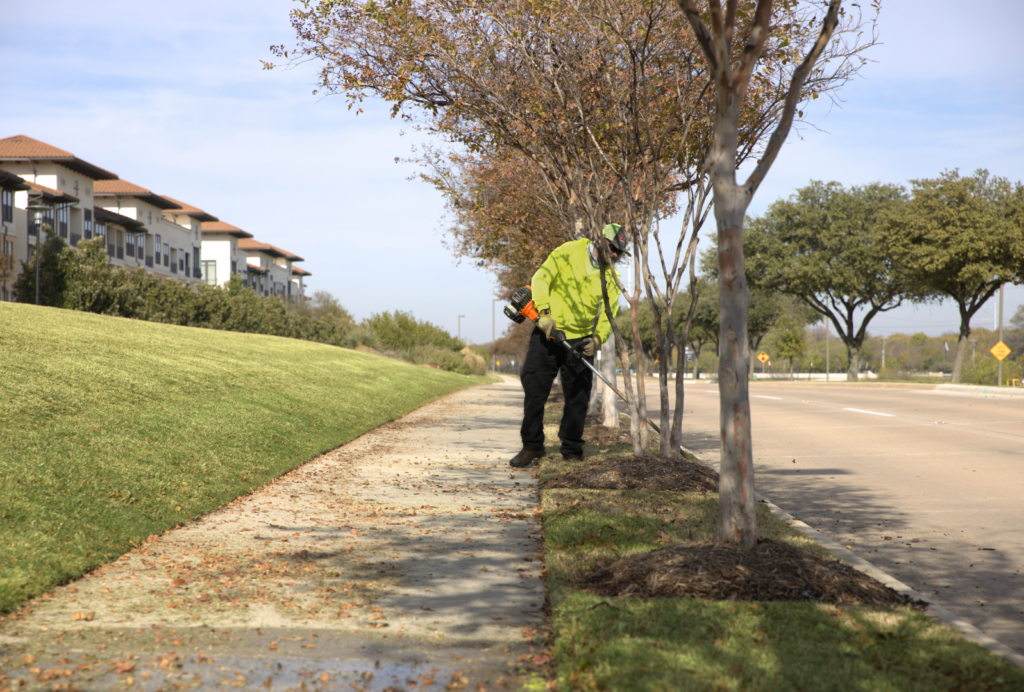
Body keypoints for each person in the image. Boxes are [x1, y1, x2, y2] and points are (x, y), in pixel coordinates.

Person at [509, 223, 629, 468]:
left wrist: (596, 340)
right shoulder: (569, 251)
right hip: (548, 332)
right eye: (613, 247)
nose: (615, 254)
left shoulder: (612, 278)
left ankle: (572, 450)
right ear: (600, 240)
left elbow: (608, 314)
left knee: (578, 399)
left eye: (620, 251)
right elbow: (541, 277)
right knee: (534, 390)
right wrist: (544, 313)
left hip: (579, 341)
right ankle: (532, 446)